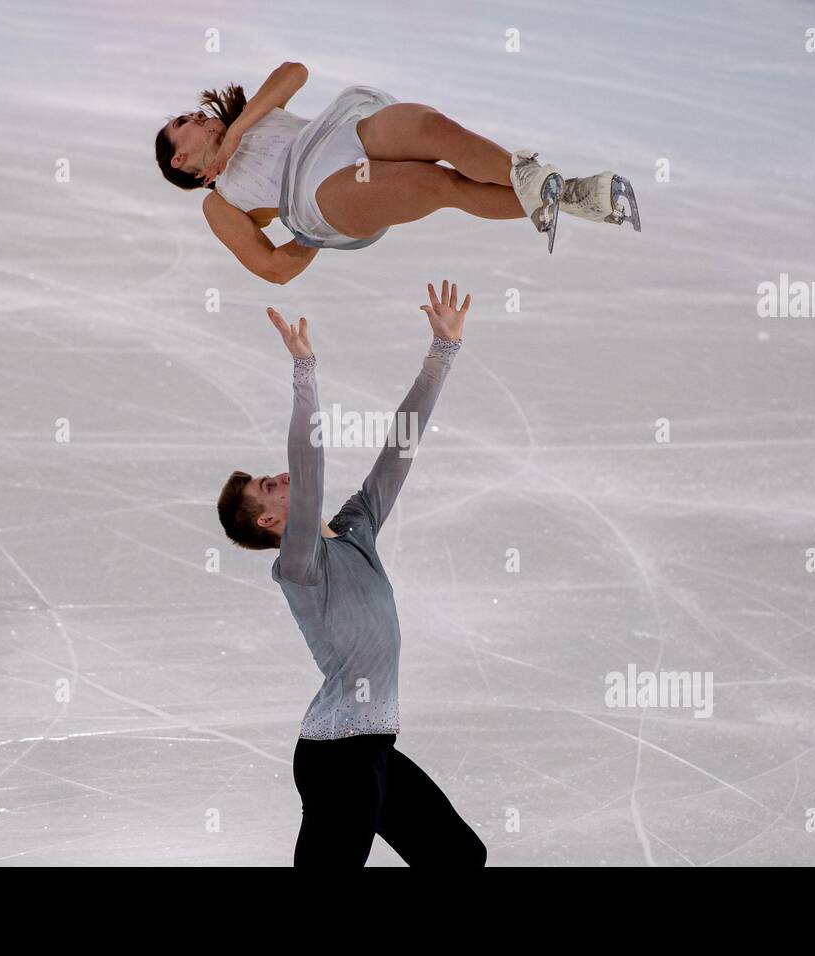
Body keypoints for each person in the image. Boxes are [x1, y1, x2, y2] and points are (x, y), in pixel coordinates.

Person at [216, 279, 487, 866]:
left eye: (274, 474)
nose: (283, 478)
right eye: (271, 485)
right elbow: (307, 465)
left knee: (461, 857)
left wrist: (441, 355)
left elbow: (400, 448)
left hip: (371, 750)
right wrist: (304, 371)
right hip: (337, 758)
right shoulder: (299, 566)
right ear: (267, 521)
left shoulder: (356, 527)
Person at [157, 62, 639, 284]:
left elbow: (294, 72)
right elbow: (273, 268)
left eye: (191, 114)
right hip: (321, 194)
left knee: (435, 128)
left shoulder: (250, 117)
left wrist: (239, 130)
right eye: (183, 124)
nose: (195, 116)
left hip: (340, 133)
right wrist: (312, 229)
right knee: (439, 185)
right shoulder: (218, 203)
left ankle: (568, 195)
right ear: (180, 160)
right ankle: (564, 196)